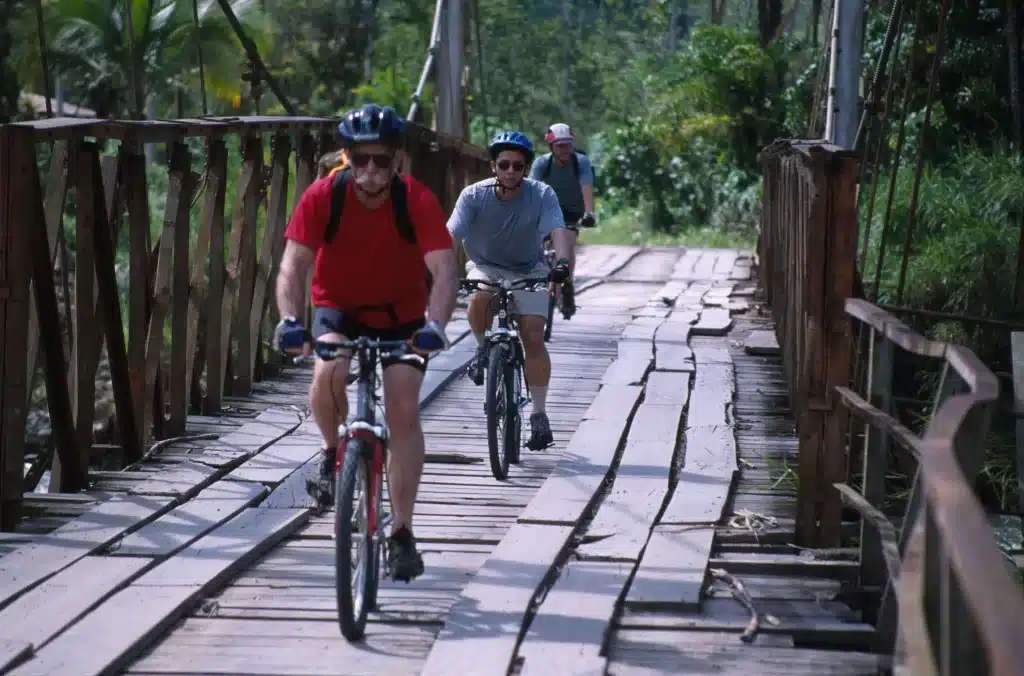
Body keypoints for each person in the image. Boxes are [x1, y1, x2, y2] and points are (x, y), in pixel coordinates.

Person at [272, 103, 458, 582]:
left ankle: (401, 533)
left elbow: (443, 269)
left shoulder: (415, 199)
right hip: (340, 308)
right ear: (346, 158)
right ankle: (334, 455)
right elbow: (292, 265)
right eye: (361, 160)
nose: (371, 172)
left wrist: (435, 325)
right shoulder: (323, 195)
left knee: (403, 408)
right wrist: (291, 320)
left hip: (402, 316)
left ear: (396, 161)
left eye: (381, 161)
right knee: (329, 369)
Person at [448, 131, 572, 451]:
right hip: (486, 265)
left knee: (532, 334)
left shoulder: (541, 194)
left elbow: (557, 229)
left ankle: (539, 415)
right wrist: (441, 268)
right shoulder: (473, 196)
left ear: (527, 169)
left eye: (519, 166)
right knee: (479, 298)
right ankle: (481, 349)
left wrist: (562, 262)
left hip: (529, 268)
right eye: (505, 165)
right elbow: (450, 234)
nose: (511, 171)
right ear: (493, 166)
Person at [529, 123, 596, 319]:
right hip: (548, 208)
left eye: (568, 145)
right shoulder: (542, 164)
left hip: (571, 211)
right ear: (551, 147)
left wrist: (589, 213)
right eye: (560, 146)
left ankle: (567, 284)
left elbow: (586, 186)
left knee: (566, 244)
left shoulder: (581, 162)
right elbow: (534, 190)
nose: (565, 150)